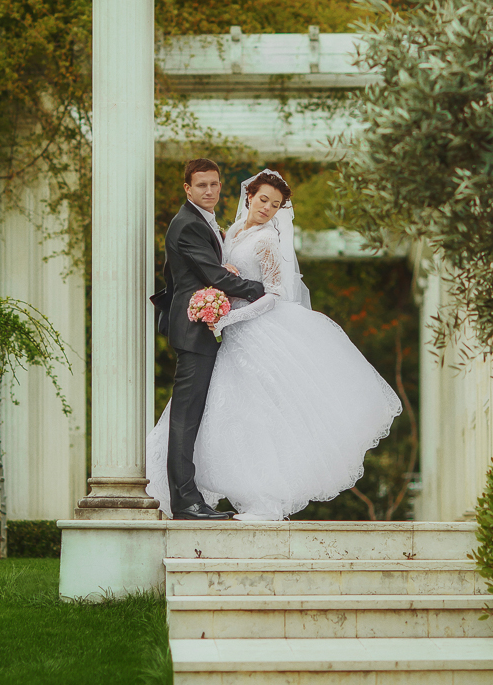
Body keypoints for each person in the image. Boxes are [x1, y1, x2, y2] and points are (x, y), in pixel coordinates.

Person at [147, 168, 403, 521]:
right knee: (224, 417)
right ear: (249, 196)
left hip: (249, 330)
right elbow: (213, 272)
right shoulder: (232, 231)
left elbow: (276, 293)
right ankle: (191, 497)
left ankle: (262, 498)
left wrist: (228, 317)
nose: (267, 208)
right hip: (223, 335)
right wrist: (227, 295)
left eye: (276, 204)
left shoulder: (268, 240)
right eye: (263, 199)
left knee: (259, 416)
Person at [151, 158, 265, 520]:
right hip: (193, 331)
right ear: (187, 189)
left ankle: (191, 497)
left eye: (215, 184)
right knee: (185, 419)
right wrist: (260, 289)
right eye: (202, 185)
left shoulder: (199, 221)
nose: (211, 191)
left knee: (192, 417)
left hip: (199, 328)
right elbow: (213, 275)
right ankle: (185, 502)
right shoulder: (187, 225)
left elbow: (185, 272)